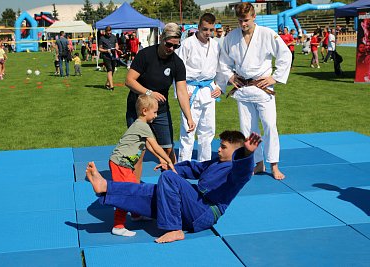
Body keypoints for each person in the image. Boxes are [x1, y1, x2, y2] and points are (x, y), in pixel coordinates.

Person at [86, 131, 261, 243]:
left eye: (223, 147)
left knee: (168, 179)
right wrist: (172, 166)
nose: (219, 150)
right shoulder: (216, 162)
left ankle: (175, 229)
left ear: (236, 150)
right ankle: (105, 187)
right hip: (193, 206)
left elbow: (243, 172)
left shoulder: (236, 171)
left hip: (205, 212)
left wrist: (246, 153)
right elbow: (194, 168)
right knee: (152, 191)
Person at [217, 2, 292, 180]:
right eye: (240, 20)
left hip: (262, 89)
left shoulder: (267, 34)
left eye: (246, 20)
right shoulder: (231, 37)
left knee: (270, 126)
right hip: (243, 89)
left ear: (254, 17)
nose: (243, 24)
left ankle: (274, 165)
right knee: (247, 130)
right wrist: (229, 76)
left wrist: (275, 77)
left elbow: (285, 55)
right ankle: (258, 163)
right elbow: (223, 61)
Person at [125, 22, 196, 180]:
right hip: (138, 110)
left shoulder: (177, 63)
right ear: (161, 38)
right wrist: (150, 93)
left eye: (175, 46)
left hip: (160, 111)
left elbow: (182, 91)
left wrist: (189, 117)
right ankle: (135, 187)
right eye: (169, 44)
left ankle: (174, 183)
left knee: (168, 151)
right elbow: (129, 80)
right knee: (138, 150)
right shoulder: (145, 55)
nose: (171, 48)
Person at [108, 95, 176, 237]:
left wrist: (159, 159)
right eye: (155, 112)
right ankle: (118, 226)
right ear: (145, 111)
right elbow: (156, 146)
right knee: (127, 192)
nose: (156, 115)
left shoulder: (141, 126)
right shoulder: (142, 126)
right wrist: (168, 161)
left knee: (135, 188)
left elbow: (148, 146)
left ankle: (136, 215)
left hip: (124, 164)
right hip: (120, 164)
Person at [176, 13, 222, 162]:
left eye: (210, 30)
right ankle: (184, 164)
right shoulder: (187, 44)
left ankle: (205, 163)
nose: (208, 33)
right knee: (188, 130)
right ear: (198, 27)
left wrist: (220, 86)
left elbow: (221, 68)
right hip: (190, 89)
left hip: (209, 89)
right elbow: (178, 69)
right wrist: (181, 92)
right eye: (205, 29)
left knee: (208, 131)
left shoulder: (215, 45)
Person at [99, 26, 120, 91]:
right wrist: (106, 50)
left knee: (113, 70)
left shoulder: (114, 37)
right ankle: (111, 86)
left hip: (113, 55)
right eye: (108, 33)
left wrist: (117, 48)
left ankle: (107, 83)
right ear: (105, 32)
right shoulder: (102, 38)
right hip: (106, 56)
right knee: (109, 70)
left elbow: (117, 45)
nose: (109, 34)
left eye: (110, 32)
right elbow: (99, 49)